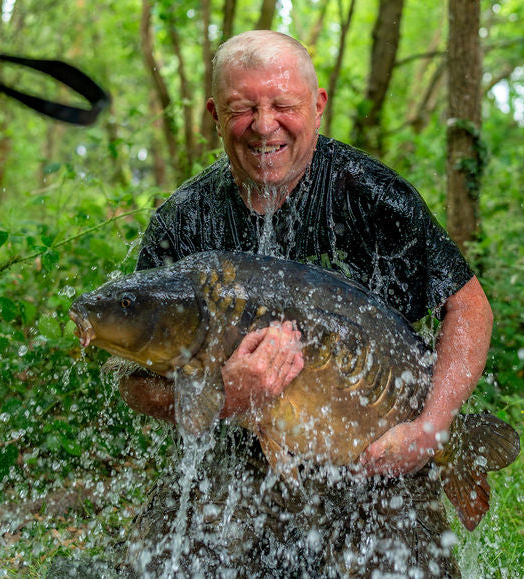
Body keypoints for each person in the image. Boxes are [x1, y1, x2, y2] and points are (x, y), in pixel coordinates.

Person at [117, 30, 492, 578]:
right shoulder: (185, 220)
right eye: (243, 109)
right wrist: (224, 396)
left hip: (375, 450)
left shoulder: (372, 196)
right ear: (214, 114)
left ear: (317, 107)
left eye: (284, 106)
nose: (264, 126)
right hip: (237, 454)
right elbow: (135, 385)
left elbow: (469, 307)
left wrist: (432, 426)